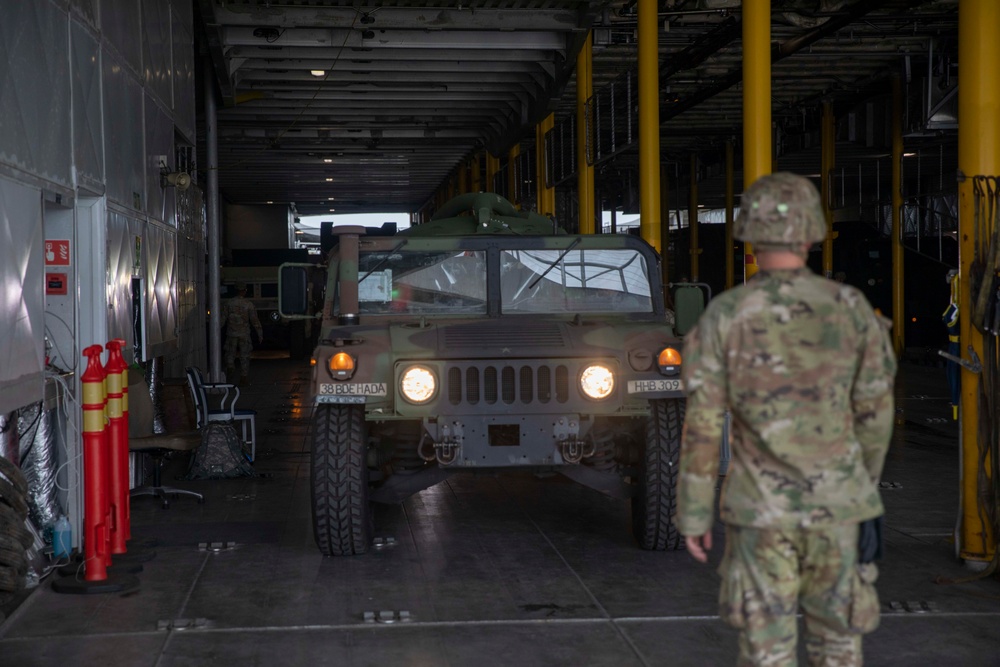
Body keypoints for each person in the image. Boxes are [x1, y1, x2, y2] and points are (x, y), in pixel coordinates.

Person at [675, 172, 897, 666]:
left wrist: (693, 512)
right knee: (839, 644)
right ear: (812, 233)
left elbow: (704, 422)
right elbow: (877, 416)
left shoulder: (725, 315)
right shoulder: (850, 308)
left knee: (765, 651)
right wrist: (860, 489)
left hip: (759, 514)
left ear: (749, 236)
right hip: (838, 510)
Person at [224, 282, 263, 385]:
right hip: (244, 334)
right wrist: (260, 333)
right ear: (245, 291)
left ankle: (230, 366)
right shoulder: (248, 304)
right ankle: (243, 377)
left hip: (231, 333)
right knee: (244, 356)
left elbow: (222, 318)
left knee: (230, 353)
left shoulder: (229, 303)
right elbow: (255, 320)